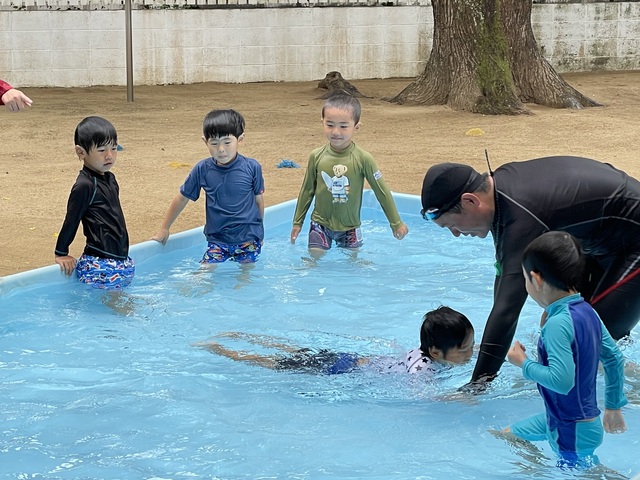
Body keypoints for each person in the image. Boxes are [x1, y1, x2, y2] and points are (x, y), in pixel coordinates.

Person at [420, 156, 640, 388]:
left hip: (632, 242)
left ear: (470, 201)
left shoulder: (520, 216)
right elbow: (503, 291)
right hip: (608, 242)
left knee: (583, 341)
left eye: (451, 225)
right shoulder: (503, 194)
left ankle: (632, 392)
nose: (455, 233)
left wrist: (476, 386)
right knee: (564, 331)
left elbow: (507, 311)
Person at [502, 231, 627, 468]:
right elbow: (613, 358)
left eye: (525, 279)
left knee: (584, 473)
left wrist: (523, 363)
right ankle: (537, 470)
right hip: (569, 421)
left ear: (536, 279)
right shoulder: (586, 311)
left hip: (572, 430)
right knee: (510, 435)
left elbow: (561, 381)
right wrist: (613, 406)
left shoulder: (558, 324)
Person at [290, 93, 408, 258]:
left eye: (343, 126)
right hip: (319, 224)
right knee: (313, 258)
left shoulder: (363, 158)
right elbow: (307, 190)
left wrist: (396, 222)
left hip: (350, 227)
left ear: (356, 127)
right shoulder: (316, 156)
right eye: (330, 125)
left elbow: (381, 191)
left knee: (353, 262)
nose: (336, 132)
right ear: (322, 122)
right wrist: (297, 222)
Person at [196, 306, 475, 375]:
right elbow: (422, 397)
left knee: (292, 350)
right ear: (436, 352)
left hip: (349, 359)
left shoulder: (424, 350)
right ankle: (222, 350)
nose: (470, 354)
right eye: (464, 350)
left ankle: (237, 336)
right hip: (340, 369)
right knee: (274, 363)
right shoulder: (424, 370)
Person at [153, 109, 264, 267]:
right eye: (214, 143)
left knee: (245, 274)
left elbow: (258, 200)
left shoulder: (252, 167)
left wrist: (260, 232)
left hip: (249, 238)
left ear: (240, 139)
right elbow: (182, 198)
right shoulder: (203, 169)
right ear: (205, 142)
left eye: (227, 142)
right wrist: (165, 228)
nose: (221, 149)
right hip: (217, 240)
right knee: (204, 271)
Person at [55, 116, 134, 289]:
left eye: (114, 148)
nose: (109, 156)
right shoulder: (85, 185)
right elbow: (72, 219)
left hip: (119, 260)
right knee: (119, 304)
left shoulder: (110, 179)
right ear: (81, 152)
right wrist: (61, 252)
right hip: (99, 263)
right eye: (101, 150)